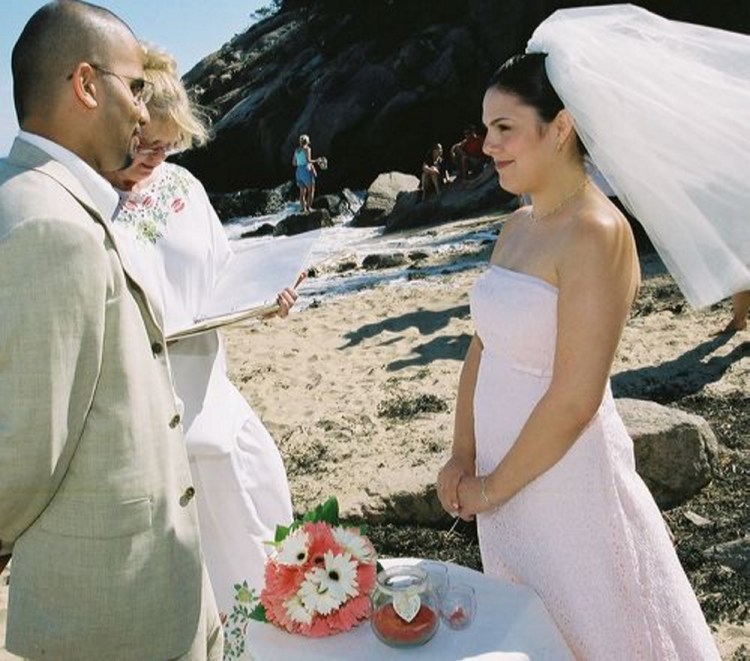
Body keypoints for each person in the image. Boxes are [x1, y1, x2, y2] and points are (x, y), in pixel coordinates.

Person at [436, 52, 720, 659]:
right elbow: (482, 346)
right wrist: (462, 455)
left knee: (601, 633)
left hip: (567, 488)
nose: (487, 145)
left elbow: (575, 397)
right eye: (486, 129)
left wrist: (491, 489)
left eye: (504, 128)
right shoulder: (515, 227)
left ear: (559, 127)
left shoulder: (598, 232)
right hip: (500, 483)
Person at [0, 2, 221, 660]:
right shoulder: (49, 223)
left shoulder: (40, 198)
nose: (143, 110)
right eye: (135, 86)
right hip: (113, 610)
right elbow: (24, 445)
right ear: (87, 85)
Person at [103, 45, 296, 624]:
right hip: (140, 414)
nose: (155, 155)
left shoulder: (183, 183)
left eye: (167, 143)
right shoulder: (87, 201)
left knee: (256, 548)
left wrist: (266, 298)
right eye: (144, 142)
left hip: (213, 393)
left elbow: (223, 274)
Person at [292, 133, 324, 212]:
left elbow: (294, 163)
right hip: (306, 170)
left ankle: (303, 208)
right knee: (311, 190)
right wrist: (317, 160)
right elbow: (308, 160)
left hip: (298, 171)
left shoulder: (297, 150)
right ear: (307, 142)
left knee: (302, 192)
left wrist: (300, 162)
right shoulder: (307, 149)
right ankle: (309, 208)